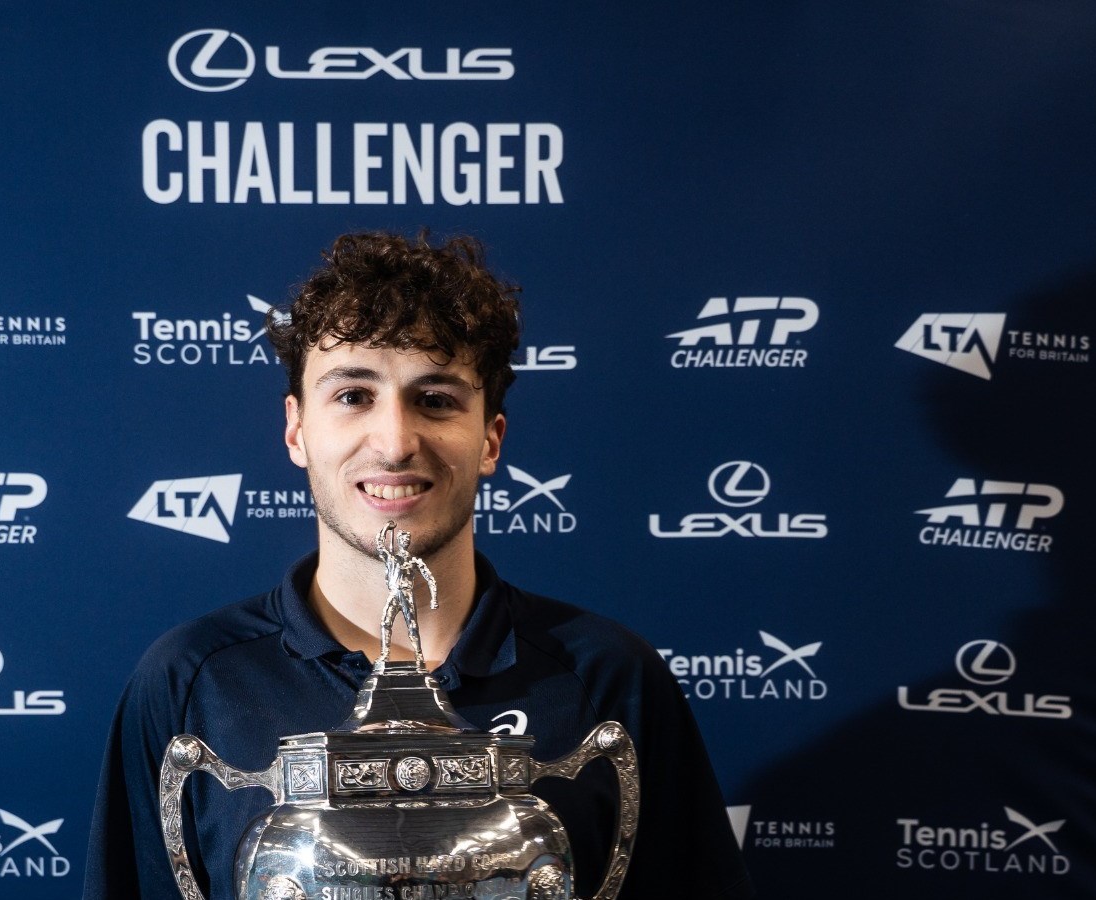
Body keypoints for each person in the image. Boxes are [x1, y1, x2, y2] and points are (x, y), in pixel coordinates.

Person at [84, 232, 754, 900]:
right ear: (297, 430)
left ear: (490, 438)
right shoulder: (191, 681)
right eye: (353, 396)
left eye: (435, 399)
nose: (396, 441)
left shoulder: (608, 677)